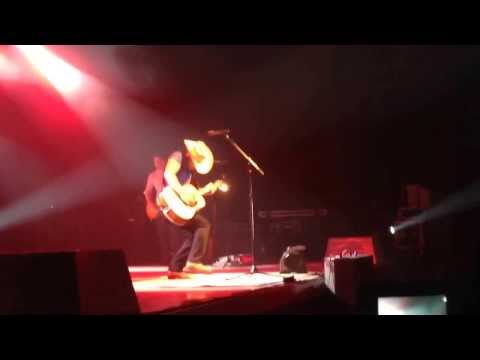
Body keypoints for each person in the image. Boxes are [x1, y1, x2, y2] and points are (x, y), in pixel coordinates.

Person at [148, 139, 221, 279]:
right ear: (190, 155)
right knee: (204, 225)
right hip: (168, 199)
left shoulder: (190, 174)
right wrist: (182, 191)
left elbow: (192, 194)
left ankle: (175, 268)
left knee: (193, 233)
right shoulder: (178, 155)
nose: (196, 167)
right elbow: (169, 174)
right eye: (196, 163)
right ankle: (193, 261)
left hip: (175, 204)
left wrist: (207, 190)